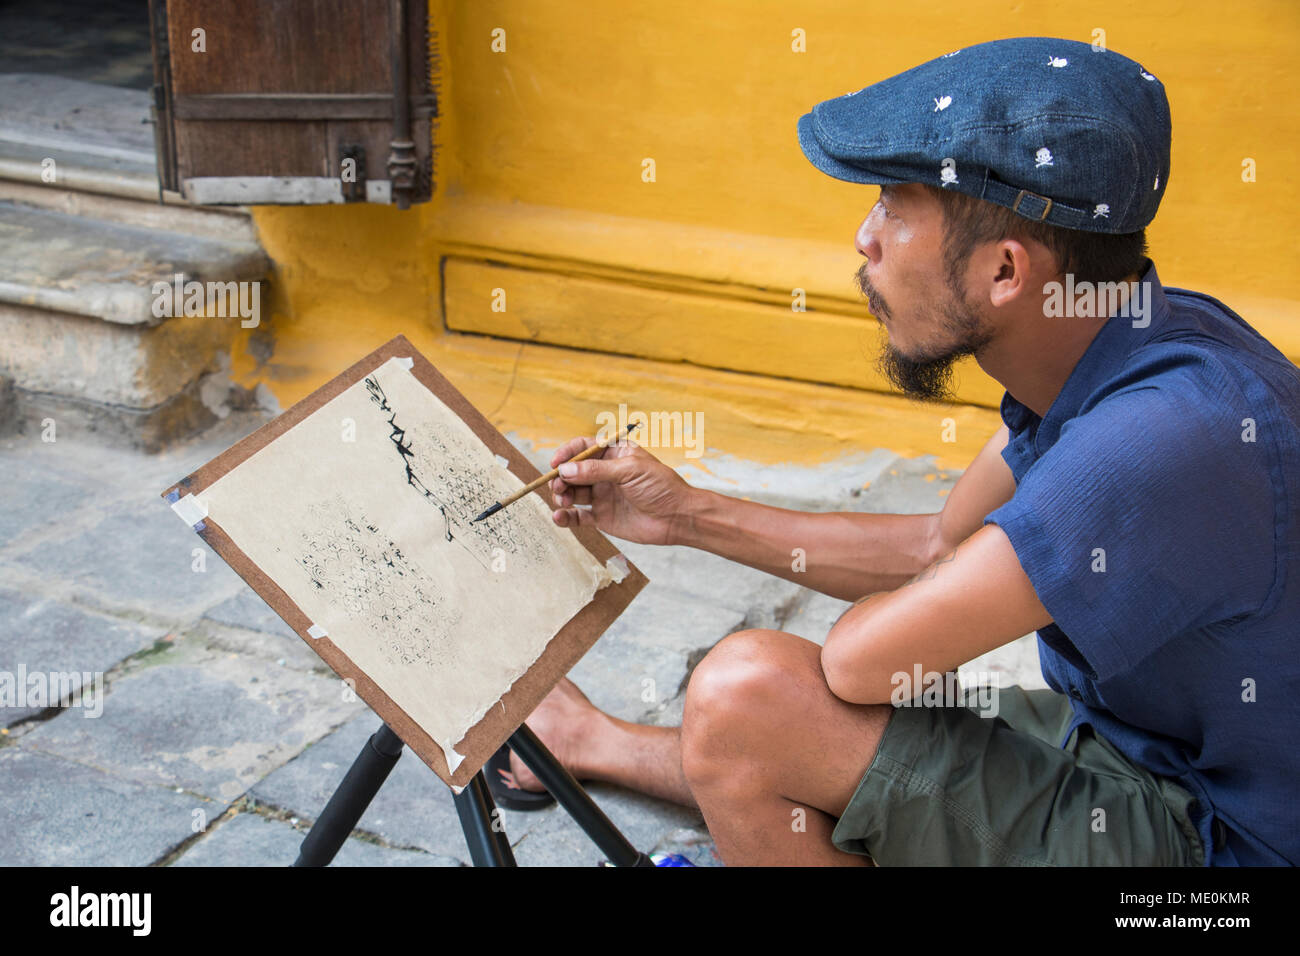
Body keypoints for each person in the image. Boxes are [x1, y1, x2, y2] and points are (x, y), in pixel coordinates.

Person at [502, 36, 1300, 866]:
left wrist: (954, 607)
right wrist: (687, 514)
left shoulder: (1156, 440)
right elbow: (940, 546)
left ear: (1004, 271)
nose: (863, 238)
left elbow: (857, 664)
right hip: (1132, 744)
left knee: (750, 698)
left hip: (1213, 848)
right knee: (786, 732)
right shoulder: (1132, 332)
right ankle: (597, 742)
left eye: (893, 205)